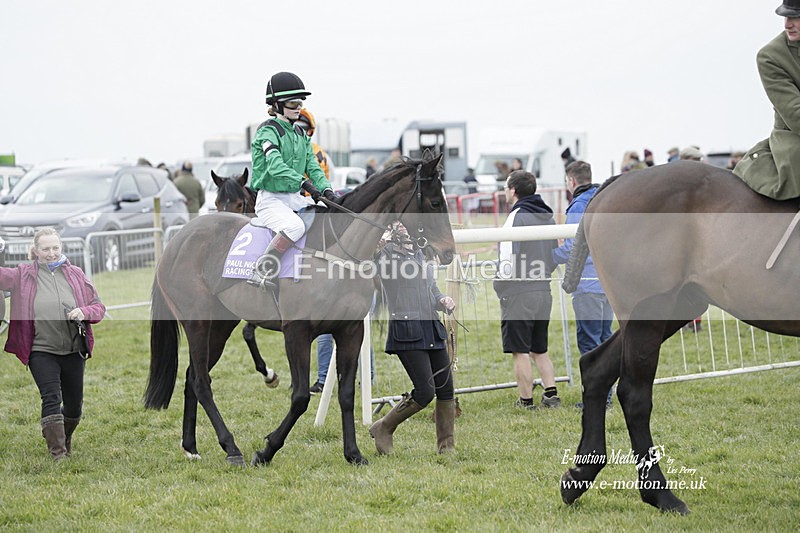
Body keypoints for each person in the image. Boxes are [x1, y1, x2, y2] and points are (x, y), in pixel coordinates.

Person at [0, 228, 105, 460]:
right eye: (45, 249)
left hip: (73, 349)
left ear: (61, 248)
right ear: (35, 251)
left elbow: (98, 308)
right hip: (40, 349)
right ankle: (58, 454)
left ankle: (63, 437)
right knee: (50, 397)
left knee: (74, 406)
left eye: (55, 248)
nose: (51, 253)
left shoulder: (76, 274)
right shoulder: (23, 274)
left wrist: (83, 311)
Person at [369, 223, 457, 454]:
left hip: (430, 326)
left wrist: (442, 300)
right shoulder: (385, 253)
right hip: (407, 330)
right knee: (425, 392)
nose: (405, 226)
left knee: (446, 389)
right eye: (399, 223)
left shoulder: (420, 250)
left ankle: (446, 447)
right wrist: (376, 250)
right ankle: (384, 427)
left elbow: (431, 288)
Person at [247, 71, 335, 289]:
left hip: (293, 199)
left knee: (327, 217)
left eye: (300, 102)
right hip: (270, 201)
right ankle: (262, 269)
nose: (299, 107)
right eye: (293, 103)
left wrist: (327, 191)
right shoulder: (267, 132)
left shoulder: (300, 134)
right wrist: (303, 183)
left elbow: (313, 167)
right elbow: (275, 166)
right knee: (295, 227)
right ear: (276, 105)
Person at [494, 170, 561, 410]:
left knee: (520, 351)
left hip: (519, 291)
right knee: (539, 349)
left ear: (513, 190)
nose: (504, 192)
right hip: (544, 289)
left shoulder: (516, 217)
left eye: (505, 187)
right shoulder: (548, 217)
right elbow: (553, 254)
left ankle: (526, 400)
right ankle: (551, 394)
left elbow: (507, 257)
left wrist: (499, 284)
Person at [552, 161, 614, 409]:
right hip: (606, 284)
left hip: (587, 285)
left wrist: (547, 256)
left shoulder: (578, 205)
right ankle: (607, 395)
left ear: (571, 181)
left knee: (590, 345)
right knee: (605, 340)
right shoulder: (603, 200)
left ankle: (597, 399)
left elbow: (571, 247)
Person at [733, 1, 800, 200]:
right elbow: (795, 114)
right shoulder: (771, 56)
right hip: (794, 138)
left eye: (795, 17)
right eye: (786, 17)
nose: (787, 24)